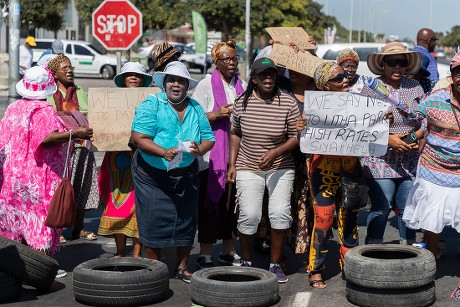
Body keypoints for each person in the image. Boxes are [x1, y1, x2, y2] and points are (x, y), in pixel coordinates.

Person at [130, 61, 215, 282]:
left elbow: (208, 138)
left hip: (185, 172)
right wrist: (163, 152)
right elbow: (139, 138)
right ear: (164, 84)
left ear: (187, 85)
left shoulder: (196, 107)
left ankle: (182, 267)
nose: (176, 85)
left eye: (181, 81)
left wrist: (199, 150)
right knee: (153, 219)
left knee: (187, 219)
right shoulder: (152, 104)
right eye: (172, 80)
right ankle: (156, 268)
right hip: (151, 174)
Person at [0, 65, 93, 256]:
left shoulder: (13, 108)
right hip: (38, 180)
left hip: (12, 180)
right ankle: (41, 268)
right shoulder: (43, 110)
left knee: (17, 222)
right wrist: (74, 133)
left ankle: (19, 266)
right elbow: (46, 139)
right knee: (41, 223)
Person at [227, 57, 300, 283]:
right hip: (248, 165)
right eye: (263, 75)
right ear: (254, 79)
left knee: (279, 214)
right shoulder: (242, 102)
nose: (268, 78)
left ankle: (275, 263)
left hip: (281, 166)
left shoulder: (287, 102)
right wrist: (232, 163)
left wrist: (275, 153)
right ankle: (247, 262)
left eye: (271, 74)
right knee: (249, 215)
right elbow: (235, 133)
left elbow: (295, 137)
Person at [303, 61, 363, 289]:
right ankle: (315, 269)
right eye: (338, 78)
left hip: (351, 168)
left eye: (345, 76)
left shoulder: (359, 104)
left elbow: (371, 130)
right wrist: (302, 128)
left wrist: (380, 121)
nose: (345, 79)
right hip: (323, 169)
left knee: (350, 218)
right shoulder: (314, 108)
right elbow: (305, 143)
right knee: (324, 219)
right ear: (325, 86)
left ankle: (349, 265)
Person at [361, 42, 425, 246]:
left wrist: (414, 138)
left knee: (408, 206)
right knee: (382, 205)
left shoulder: (414, 87)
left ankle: (407, 250)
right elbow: (360, 124)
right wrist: (389, 139)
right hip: (379, 158)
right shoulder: (371, 88)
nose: (397, 67)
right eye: (392, 62)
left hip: (409, 157)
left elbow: (424, 120)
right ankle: (373, 249)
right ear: (383, 64)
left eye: (401, 62)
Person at [191, 39, 247, 268]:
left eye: (235, 58)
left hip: (237, 155)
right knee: (211, 206)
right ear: (217, 62)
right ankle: (205, 253)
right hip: (211, 157)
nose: (232, 63)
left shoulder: (242, 85)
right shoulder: (206, 85)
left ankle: (228, 250)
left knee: (233, 206)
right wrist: (216, 114)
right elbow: (193, 117)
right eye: (227, 59)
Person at [402, 51, 460, 257]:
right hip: (433, 168)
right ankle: (429, 265)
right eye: (458, 73)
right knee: (432, 224)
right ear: (452, 76)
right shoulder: (435, 99)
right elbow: (416, 120)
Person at [97, 62, 153, 258]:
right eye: (129, 75)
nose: (133, 78)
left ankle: (137, 252)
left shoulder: (151, 101)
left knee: (139, 206)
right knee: (116, 202)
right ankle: (120, 251)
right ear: (123, 79)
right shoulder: (110, 101)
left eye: (137, 76)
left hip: (143, 157)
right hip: (115, 158)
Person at [47, 54, 100, 242]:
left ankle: (79, 228)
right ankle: (57, 230)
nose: (69, 70)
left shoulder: (79, 91)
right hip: (61, 150)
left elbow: (91, 112)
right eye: (64, 68)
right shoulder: (49, 94)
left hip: (82, 148)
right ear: (54, 73)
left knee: (82, 189)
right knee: (60, 190)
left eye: (71, 67)